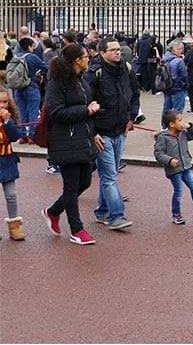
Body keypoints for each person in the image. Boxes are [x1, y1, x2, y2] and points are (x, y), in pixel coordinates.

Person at [41, 43, 101, 245]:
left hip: (83, 139)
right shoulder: (57, 83)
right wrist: (87, 110)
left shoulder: (81, 80)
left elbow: (86, 109)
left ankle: (53, 211)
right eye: (86, 56)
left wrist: (93, 134)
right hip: (65, 141)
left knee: (85, 182)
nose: (88, 59)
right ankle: (77, 229)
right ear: (77, 60)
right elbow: (55, 112)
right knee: (71, 186)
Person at [83, 38, 140, 231]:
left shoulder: (127, 69)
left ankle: (101, 211)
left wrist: (132, 117)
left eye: (119, 50)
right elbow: (86, 104)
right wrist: (93, 133)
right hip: (102, 132)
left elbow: (135, 93)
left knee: (110, 173)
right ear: (102, 53)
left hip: (120, 130)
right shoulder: (94, 74)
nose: (118, 53)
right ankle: (116, 215)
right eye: (114, 50)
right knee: (109, 175)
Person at [152, 109, 193, 225]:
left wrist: (190, 126)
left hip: (185, 166)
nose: (182, 123)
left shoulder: (182, 133)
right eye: (180, 120)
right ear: (172, 124)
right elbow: (158, 154)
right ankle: (176, 214)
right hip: (174, 170)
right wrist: (170, 160)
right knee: (178, 192)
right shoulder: (163, 137)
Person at [0, 87, 26, 240]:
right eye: (0, 102)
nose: (3, 106)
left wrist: (7, 121)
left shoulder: (9, 119)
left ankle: (14, 227)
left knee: (11, 194)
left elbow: (16, 136)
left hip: (7, 159)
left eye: (5, 102)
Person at [12, 37, 47, 143]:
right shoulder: (32, 57)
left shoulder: (15, 57)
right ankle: (32, 135)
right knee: (33, 112)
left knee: (21, 112)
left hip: (18, 88)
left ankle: (22, 135)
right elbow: (45, 67)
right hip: (31, 87)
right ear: (29, 46)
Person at [160, 40, 188, 118]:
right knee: (178, 110)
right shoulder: (179, 61)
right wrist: (185, 86)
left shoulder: (164, 59)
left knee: (166, 109)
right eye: (179, 49)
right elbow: (184, 76)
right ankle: (176, 127)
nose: (181, 51)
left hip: (167, 86)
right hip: (177, 88)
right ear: (173, 50)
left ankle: (164, 126)